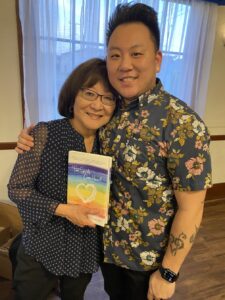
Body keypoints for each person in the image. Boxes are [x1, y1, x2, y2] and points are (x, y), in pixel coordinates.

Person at [15, 3, 212, 300]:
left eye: (136, 53)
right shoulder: (112, 111)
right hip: (106, 251)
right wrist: (31, 139)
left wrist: (169, 272)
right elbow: (73, 128)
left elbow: (192, 208)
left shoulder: (183, 124)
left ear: (157, 59)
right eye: (115, 55)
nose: (124, 64)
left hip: (146, 262)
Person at [8, 58, 116, 300]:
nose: (98, 105)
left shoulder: (110, 144)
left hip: (85, 247)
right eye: (90, 93)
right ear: (73, 95)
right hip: (42, 244)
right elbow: (17, 189)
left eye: (108, 98)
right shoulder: (44, 133)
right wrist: (64, 209)